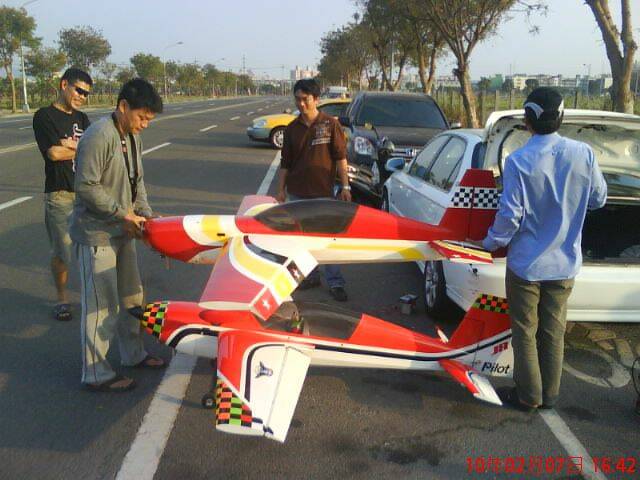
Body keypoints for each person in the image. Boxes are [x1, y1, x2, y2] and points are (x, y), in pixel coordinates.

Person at [480, 87, 607, 411]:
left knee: (525, 331)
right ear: (561, 117)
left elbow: (510, 215)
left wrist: (490, 243)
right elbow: (598, 198)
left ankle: (528, 395)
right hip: (565, 264)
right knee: (553, 332)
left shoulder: (518, 161)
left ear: (528, 120)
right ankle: (549, 396)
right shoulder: (584, 153)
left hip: (526, 265)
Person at [70, 78, 165, 392]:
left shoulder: (132, 137)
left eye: (149, 120)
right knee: (102, 307)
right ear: (123, 106)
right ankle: (95, 373)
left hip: (123, 231)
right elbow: (86, 187)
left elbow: (137, 183)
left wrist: (147, 216)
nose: (144, 124)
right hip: (97, 235)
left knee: (131, 298)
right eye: (142, 117)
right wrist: (122, 214)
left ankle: (133, 354)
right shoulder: (100, 135)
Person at [276, 78, 351, 302]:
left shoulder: (330, 124)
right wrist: (281, 190)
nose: (301, 104)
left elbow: (341, 158)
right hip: (297, 193)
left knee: (326, 240)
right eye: (297, 99)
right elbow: (285, 163)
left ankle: (335, 282)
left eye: (305, 99)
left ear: (316, 99)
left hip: (324, 193)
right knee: (300, 240)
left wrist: (345, 186)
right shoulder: (292, 129)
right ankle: (310, 276)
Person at [33, 68, 92, 321]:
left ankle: (94, 296)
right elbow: (54, 154)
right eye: (79, 90)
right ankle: (62, 299)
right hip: (60, 195)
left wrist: (71, 144)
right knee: (62, 253)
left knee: (94, 249)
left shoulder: (83, 118)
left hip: (86, 193)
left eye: (86, 94)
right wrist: (81, 147)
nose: (82, 97)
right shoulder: (44, 116)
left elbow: (94, 150)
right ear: (64, 84)